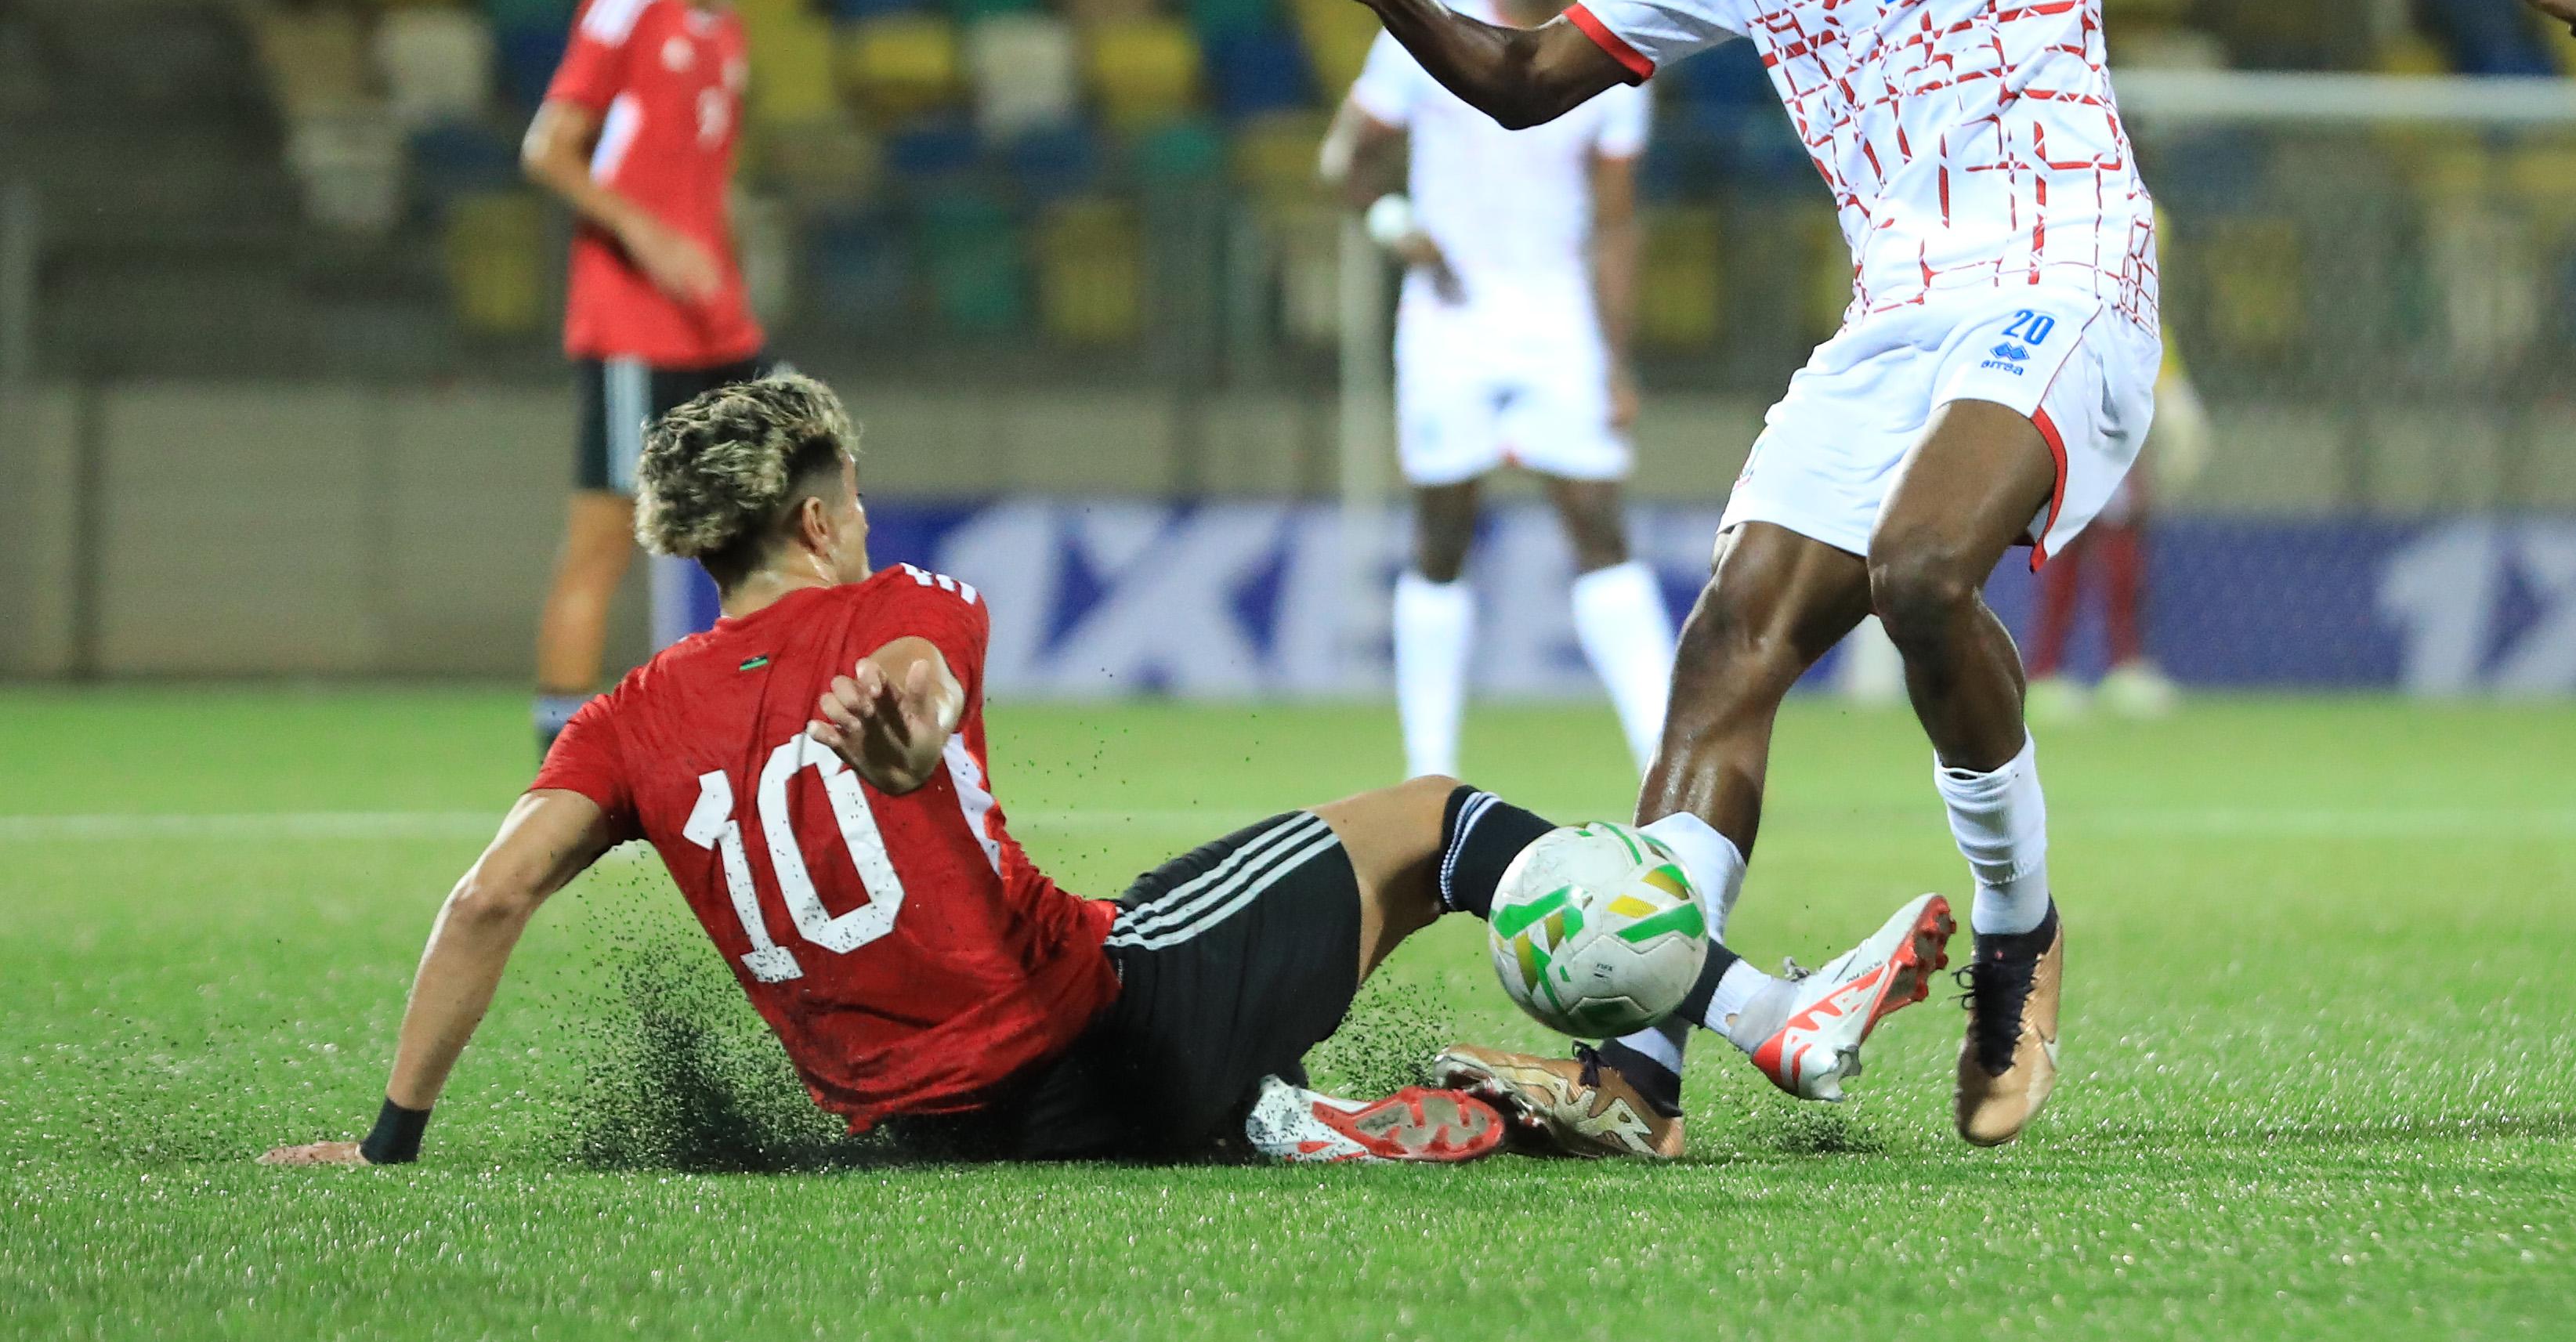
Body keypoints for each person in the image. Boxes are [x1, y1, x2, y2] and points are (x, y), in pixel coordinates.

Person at [1301, 0, 2576, 1158]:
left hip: (2068, 271)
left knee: (1918, 569)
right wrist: (1400, 2)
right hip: (1892, 315)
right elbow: (1520, 87)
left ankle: (2014, 928)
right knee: (1725, 643)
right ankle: (1635, 1071)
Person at [261, 374, 1955, 1170]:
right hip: (1092, 1033)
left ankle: (1286, 1120)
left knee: (1139, 914)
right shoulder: (904, 607)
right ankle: (1758, 1015)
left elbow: (487, 893)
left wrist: (392, 1141)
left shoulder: (625, 716)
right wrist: (911, 727)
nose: (862, 504)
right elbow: (914, 678)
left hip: (929, 1134)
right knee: (1435, 816)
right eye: (848, 482)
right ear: (811, 511)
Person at [1318, 0, 1677, 781]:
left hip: (1556, 318)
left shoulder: (1608, 47)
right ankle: (1427, 768)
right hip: (1450, 319)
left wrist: (1615, 358)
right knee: (1440, 533)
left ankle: (1661, 750)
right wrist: (1399, 228)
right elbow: (1346, 157)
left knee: (1597, 523)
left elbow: (1615, 219)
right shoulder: (1426, 28)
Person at [519, 0, 768, 754]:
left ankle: (736, 743)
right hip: (631, 324)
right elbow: (548, 147)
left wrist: (723, 260)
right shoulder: (631, 3)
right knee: (603, 540)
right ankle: (560, 767)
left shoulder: (728, 32)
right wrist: (648, 233)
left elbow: (704, 181)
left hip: (716, 325)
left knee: (767, 531)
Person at [2023, 230, 2212, 722]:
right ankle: (2063, 670)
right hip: (2081, 387)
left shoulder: (2125, 216)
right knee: (2088, 532)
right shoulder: (2126, 221)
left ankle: (2088, 668)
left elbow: (2139, 317)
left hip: (2090, 387)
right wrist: (2170, 388)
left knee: (2103, 529)